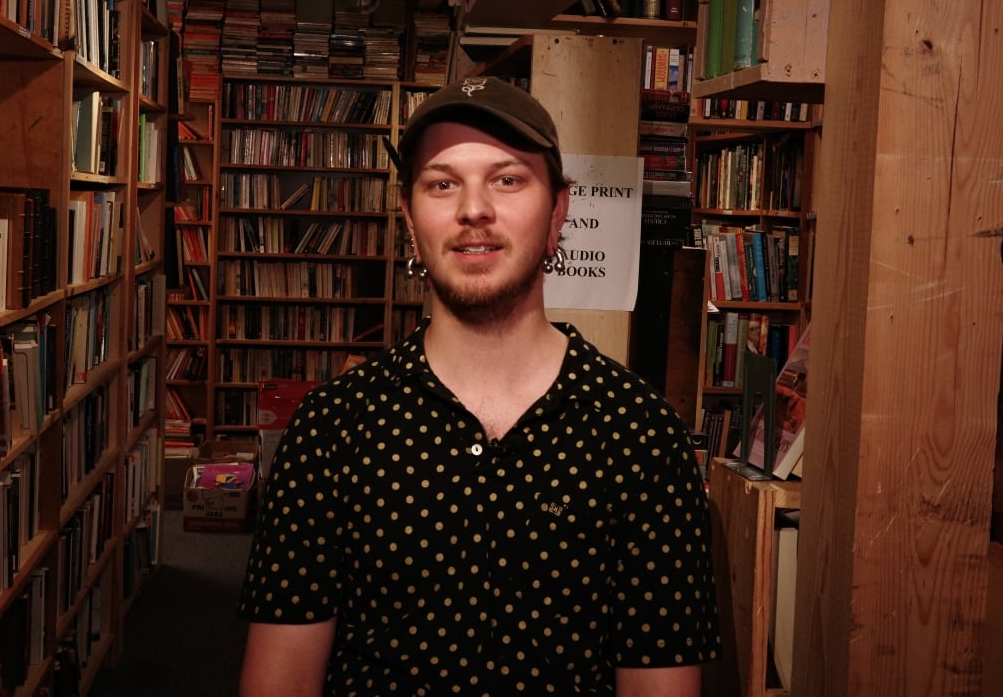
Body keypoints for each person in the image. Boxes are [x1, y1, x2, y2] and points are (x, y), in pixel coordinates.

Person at [236, 76, 721, 696]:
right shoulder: (333, 428)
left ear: (558, 213)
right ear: (411, 221)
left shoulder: (642, 437)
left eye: (508, 179)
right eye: (442, 183)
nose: (473, 210)